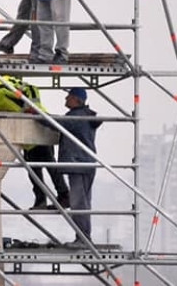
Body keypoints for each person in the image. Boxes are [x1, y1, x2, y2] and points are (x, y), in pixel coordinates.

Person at [0, 74, 69, 211]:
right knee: (38, 169)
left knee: (43, 167)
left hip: (36, 129)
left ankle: (62, 195)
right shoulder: (6, 83)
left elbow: (11, 101)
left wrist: (30, 109)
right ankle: (47, 198)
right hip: (36, 128)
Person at [54, 88, 102, 248]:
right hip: (83, 163)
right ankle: (83, 237)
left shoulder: (77, 116)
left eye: (69, 96)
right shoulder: (83, 116)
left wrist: (37, 115)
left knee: (79, 203)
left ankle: (83, 239)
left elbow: (57, 124)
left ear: (76, 99)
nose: (66, 98)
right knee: (82, 202)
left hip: (79, 164)